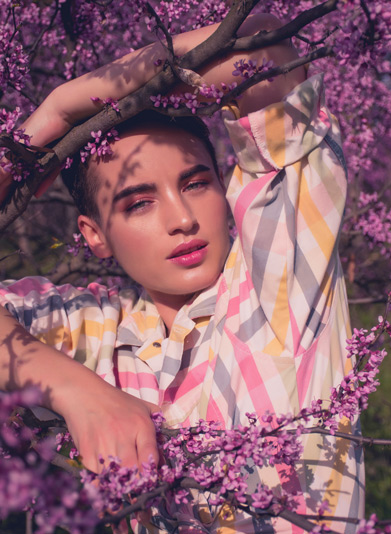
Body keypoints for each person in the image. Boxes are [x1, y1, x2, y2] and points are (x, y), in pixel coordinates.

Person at [0, 12, 364, 534]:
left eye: (195, 184)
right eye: (139, 203)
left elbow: (262, 55)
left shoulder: (279, 280)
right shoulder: (96, 331)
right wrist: (78, 390)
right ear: (93, 235)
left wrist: (66, 101)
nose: (183, 219)